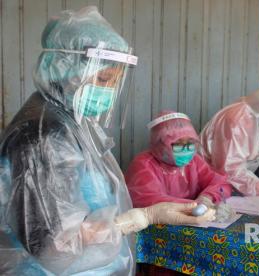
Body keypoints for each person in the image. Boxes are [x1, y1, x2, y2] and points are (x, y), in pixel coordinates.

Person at [0, 7, 213, 275]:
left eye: (115, 81)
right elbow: (54, 248)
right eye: (102, 79)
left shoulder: (71, 120)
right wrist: (141, 218)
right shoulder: (44, 135)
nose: (108, 91)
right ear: (64, 68)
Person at [125, 111, 235, 222]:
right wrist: (199, 206)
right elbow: (150, 200)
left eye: (190, 142)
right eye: (178, 144)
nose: (186, 148)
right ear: (160, 143)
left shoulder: (194, 161)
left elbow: (221, 183)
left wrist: (208, 197)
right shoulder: (144, 165)